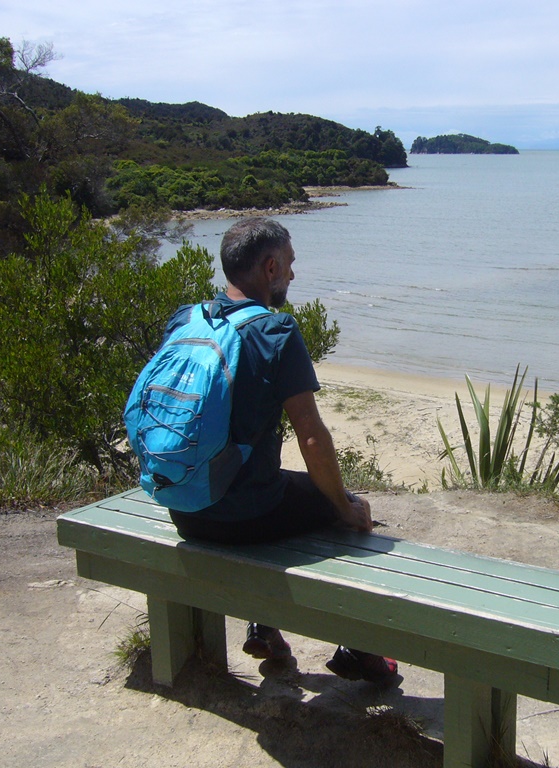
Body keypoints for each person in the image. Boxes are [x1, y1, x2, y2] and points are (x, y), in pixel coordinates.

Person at [164, 217, 398, 685]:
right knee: (350, 513)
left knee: (289, 490)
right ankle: (361, 649)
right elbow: (311, 437)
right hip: (243, 515)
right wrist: (343, 504)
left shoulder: (186, 319)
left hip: (184, 506)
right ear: (270, 267)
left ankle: (264, 627)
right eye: (289, 264)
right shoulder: (276, 331)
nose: (292, 274)